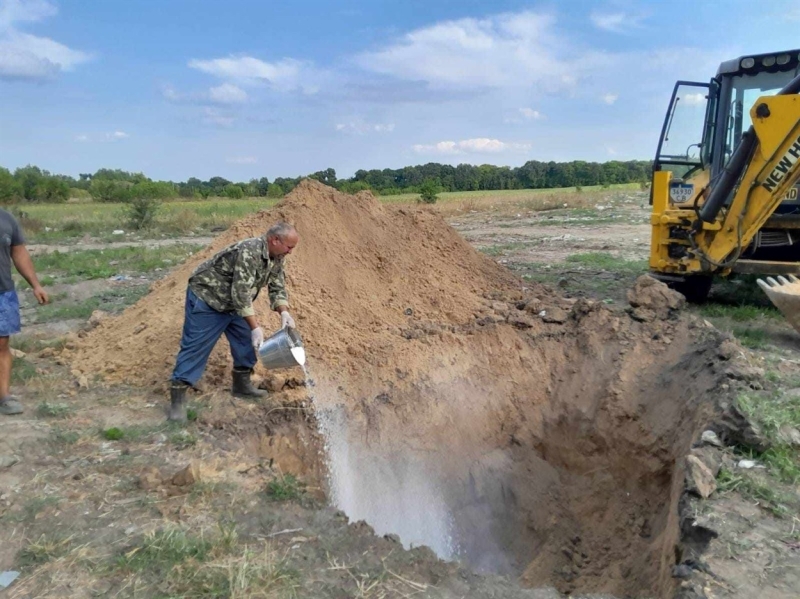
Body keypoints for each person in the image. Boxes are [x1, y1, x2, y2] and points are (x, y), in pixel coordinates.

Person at [168, 221, 299, 421]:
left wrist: (284, 312)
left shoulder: (277, 256)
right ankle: (177, 403)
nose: (290, 252)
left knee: (245, 341)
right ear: (275, 240)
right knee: (195, 346)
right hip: (209, 298)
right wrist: (255, 326)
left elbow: (277, 285)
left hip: (234, 303)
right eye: (289, 247)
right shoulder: (249, 252)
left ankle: (241, 385)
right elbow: (241, 292)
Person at [0, 209, 49, 416]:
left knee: (1, 344)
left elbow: (19, 253)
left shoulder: (7, 219)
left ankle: (4, 397)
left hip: (2, 292)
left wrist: (36, 285)